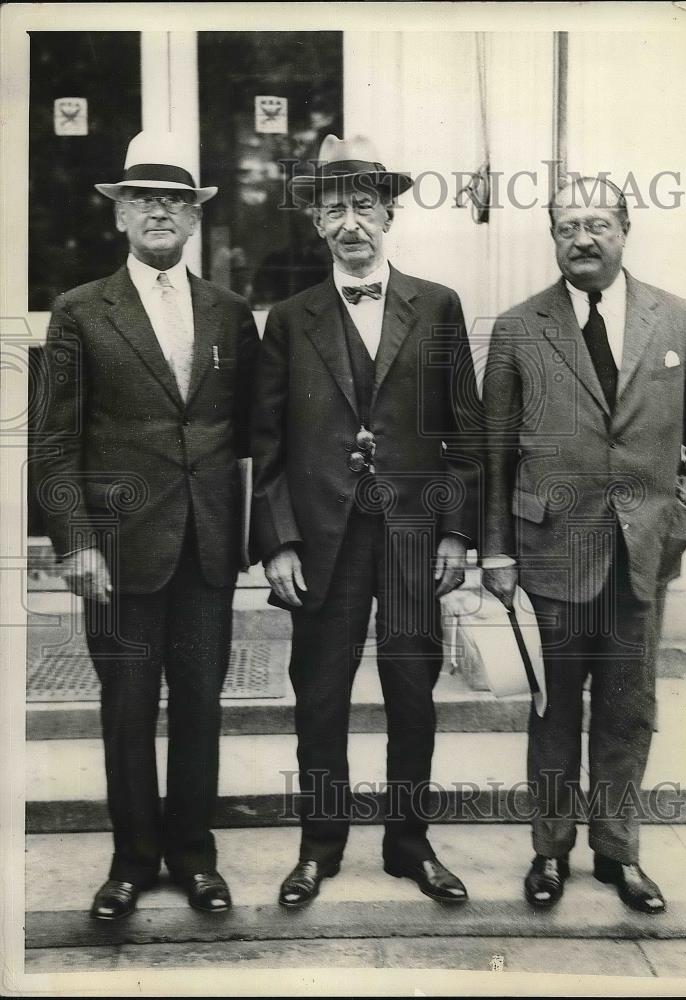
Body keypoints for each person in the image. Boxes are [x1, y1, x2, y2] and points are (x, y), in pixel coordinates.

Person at [481, 176, 686, 914]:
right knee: (552, 709)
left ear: (626, 229)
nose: (582, 238)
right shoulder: (517, 327)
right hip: (549, 551)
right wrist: (495, 553)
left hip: (639, 555)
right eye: (566, 226)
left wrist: (682, 506)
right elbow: (493, 452)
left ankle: (618, 853)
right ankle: (549, 852)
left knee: (627, 708)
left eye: (596, 223)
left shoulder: (676, 320)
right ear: (552, 238)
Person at [251, 135, 480, 907]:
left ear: (389, 213)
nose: (350, 222)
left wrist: (455, 531)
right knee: (319, 693)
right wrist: (277, 540)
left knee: (412, 691)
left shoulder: (438, 305)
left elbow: (465, 432)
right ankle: (320, 845)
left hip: (415, 536)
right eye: (333, 208)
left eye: (363, 206)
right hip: (322, 538)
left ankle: (408, 844)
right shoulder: (288, 319)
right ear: (315, 222)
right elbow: (267, 442)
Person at [37, 131, 259, 920]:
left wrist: (259, 539)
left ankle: (195, 858)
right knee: (127, 706)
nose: (159, 212)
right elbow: (55, 441)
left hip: (205, 548)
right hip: (119, 551)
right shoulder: (79, 312)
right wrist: (76, 541)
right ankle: (131, 861)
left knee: (200, 703)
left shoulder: (230, 314)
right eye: (143, 200)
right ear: (121, 217)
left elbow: (251, 432)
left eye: (175, 201)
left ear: (194, 219)